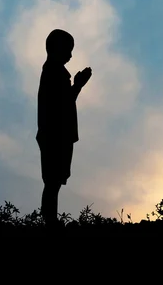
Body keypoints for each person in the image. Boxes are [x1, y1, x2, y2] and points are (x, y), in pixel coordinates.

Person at [36, 29, 92, 229]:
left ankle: (50, 218)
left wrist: (76, 85)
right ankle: (49, 220)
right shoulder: (53, 72)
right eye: (68, 50)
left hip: (57, 134)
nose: (70, 55)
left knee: (55, 180)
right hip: (54, 134)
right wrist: (78, 85)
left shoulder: (55, 72)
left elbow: (63, 102)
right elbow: (61, 104)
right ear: (56, 48)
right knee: (53, 180)